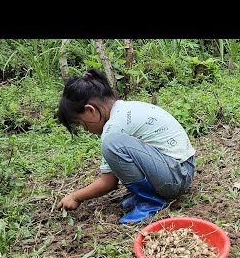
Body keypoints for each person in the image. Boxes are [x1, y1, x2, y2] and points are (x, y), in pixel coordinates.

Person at [55, 69, 196, 224]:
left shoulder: (114, 128)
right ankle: (148, 194)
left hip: (176, 176)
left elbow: (108, 182)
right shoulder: (125, 109)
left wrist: (75, 197)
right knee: (114, 145)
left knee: (111, 144)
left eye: (81, 124)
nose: (86, 130)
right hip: (182, 169)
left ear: (90, 110)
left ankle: (150, 202)